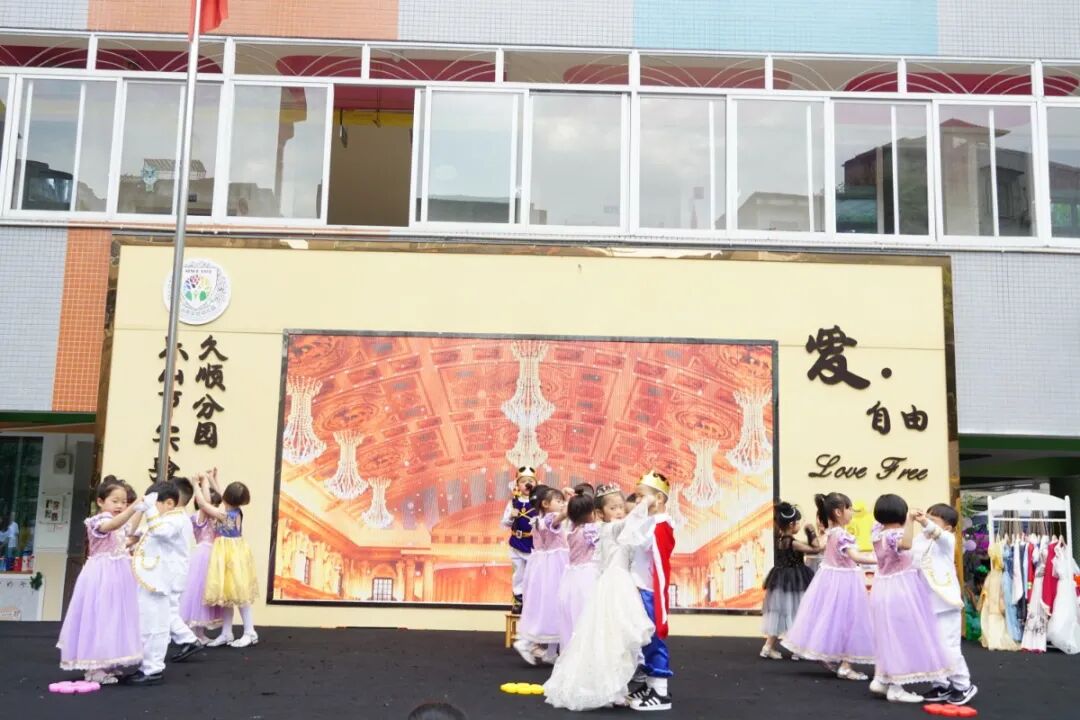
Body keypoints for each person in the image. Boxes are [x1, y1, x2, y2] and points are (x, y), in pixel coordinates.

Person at [543, 486, 655, 711]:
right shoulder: (609, 529)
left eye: (621, 507)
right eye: (613, 508)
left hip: (618, 585)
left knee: (616, 639)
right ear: (599, 513)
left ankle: (616, 689)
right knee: (612, 638)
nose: (619, 511)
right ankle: (612, 690)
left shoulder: (611, 529)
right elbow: (631, 522)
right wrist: (646, 501)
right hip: (614, 587)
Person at [56, 480, 143, 683]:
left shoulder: (118, 520)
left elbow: (127, 529)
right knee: (100, 617)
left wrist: (141, 509)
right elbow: (113, 525)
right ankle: (94, 668)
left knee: (113, 617)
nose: (120, 505)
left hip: (117, 575)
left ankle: (107, 662)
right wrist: (135, 507)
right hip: (101, 575)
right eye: (115, 501)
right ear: (101, 501)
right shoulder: (98, 520)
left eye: (124, 501)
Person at [782, 492, 876, 681]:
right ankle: (846, 666)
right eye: (849, 509)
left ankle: (829, 655)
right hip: (845, 582)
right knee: (851, 621)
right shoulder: (843, 535)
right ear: (839, 512)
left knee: (831, 619)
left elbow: (822, 547)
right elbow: (855, 557)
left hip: (830, 580)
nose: (852, 512)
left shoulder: (830, 533)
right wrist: (879, 559)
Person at [867, 494, 950, 703]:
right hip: (901, 589)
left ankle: (882, 679)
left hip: (883, 586)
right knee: (902, 635)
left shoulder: (877, 532)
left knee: (888, 634)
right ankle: (896, 687)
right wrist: (911, 521)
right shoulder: (895, 534)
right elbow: (906, 544)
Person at [124, 481, 199, 685]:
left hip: (160, 581)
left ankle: (152, 668)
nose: (152, 509)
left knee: (155, 626)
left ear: (169, 503)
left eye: (154, 503)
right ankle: (147, 665)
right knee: (149, 623)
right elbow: (143, 532)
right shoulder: (165, 518)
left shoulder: (176, 519)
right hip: (152, 580)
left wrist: (148, 509)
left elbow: (159, 531)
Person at [913, 503, 978, 705]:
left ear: (947, 527)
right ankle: (940, 684)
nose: (927, 521)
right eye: (928, 517)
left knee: (948, 648)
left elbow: (938, 535)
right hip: (925, 603)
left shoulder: (947, 540)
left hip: (946, 603)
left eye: (933, 520)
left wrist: (925, 521)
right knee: (930, 647)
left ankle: (963, 685)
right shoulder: (919, 540)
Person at [628, 471, 676, 712]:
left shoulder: (660, 525)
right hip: (640, 588)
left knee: (653, 638)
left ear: (658, 498)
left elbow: (659, 562)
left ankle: (660, 691)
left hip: (650, 591)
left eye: (641, 496)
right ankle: (650, 685)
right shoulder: (649, 523)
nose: (637, 501)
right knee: (643, 639)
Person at [196, 472, 260, 647]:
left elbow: (202, 504)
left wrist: (198, 484)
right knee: (227, 595)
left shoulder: (224, 515)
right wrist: (212, 479)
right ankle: (226, 633)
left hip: (231, 554)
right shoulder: (234, 510)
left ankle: (250, 632)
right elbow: (223, 494)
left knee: (240, 595)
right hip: (229, 553)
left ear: (226, 499)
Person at [512, 484, 569, 666]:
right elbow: (564, 515)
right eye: (558, 501)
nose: (561, 504)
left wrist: (564, 499)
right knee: (552, 606)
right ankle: (526, 642)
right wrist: (573, 502)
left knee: (553, 607)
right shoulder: (551, 519)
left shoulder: (537, 519)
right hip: (554, 567)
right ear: (545, 504)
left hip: (543, 566)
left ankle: (551, 652)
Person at [760, 501, 821, 660]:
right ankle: (797, 649)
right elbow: (816, 548)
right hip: (795, 582)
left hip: (781, 581)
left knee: (779, 615)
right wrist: (811, 532)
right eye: (798, 522)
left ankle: (767, 647)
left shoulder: (781, 540)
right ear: (792, 524)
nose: (799, 525)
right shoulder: (793, 543)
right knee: (798, 613)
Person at [180, 478, 224, 643]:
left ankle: (200, 632)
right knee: (198, 593)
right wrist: (199, 484)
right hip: (203, 557)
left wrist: (213, 480)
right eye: (213, 504)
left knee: (206, 593)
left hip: (213, 555)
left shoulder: (213, 516)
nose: (215, 507)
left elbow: (221, 501)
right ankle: (194, 633)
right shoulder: (200, 515)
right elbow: (205, 502)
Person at [558, 488, 600, 650]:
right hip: (587, 576)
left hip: (571, 577)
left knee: (572, 613)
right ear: (592, 513)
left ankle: (572, 649)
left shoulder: (570, 531)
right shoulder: (590, 531)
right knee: (587, 613)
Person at [500, 467, 536, 614]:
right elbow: (504, 524)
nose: (527, 484)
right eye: (523, 481)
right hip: (516, 542)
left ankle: (532, 600)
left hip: (533, 544)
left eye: (530, 481)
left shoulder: (539, 503)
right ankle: (518, 599)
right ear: (517, 485)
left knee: (533, 573)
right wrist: (511, 516)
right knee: (518, 572)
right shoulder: (513, 503)